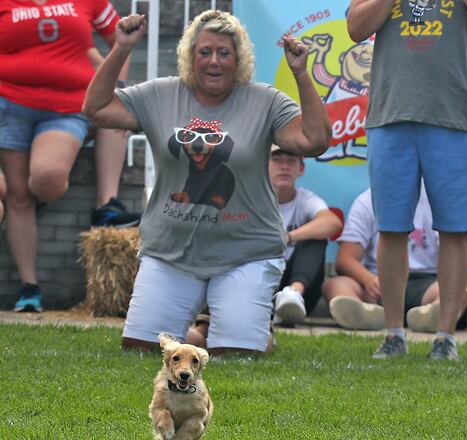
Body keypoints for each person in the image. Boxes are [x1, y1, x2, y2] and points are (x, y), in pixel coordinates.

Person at [82, 11, 331, 354]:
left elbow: (315, 141)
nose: (214, 61)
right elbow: (95, 109)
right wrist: (122, 48)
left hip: (245, 253)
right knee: (143, 349)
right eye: (205, 52)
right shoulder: (160, 95)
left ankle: (250, 331)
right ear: (190, 56)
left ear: (238, 59)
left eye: (224, 53)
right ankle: (205, 329)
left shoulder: (265, 101)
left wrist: (301, 73)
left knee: (235, 353)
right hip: (171, 251)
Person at [347, 0, 467, 361]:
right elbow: (355, 27)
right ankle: (393, 334)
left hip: (454, 118)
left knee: (456, 227)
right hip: (390, 115)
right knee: (392, 227)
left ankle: (445, 337)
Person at [0, 0, 123, 313]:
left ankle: (37, 204)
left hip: (68, 107)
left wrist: (114, 83)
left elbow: (120, 37)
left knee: (48, 179)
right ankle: (30, 288)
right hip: (9, 103)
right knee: (17, 198)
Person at [322, 187, 467, 332]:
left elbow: (455, 254)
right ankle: (365, 315)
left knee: (463, 286)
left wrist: (457, 284)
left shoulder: (442, 200)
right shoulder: (368, 200)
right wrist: (368, 280)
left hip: (427, 284)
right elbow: (345, 259)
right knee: (334, 285)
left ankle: (433, 315)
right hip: (378, 283)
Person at [269, 144, 343, 325]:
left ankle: (292, 295)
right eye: (277, 160)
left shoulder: (306, 199)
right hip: (261, 282)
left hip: (302, 293)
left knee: (316, 237)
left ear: (301, 169)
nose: (284, 166)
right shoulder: (253, 200)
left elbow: (332, 224)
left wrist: (288, 237)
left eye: (291, 161)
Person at [86, 47, 142, 228]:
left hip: (72, 107)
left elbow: (121, 38)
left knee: (114, 112)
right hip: (25, 107)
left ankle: (107, 206)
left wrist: (116, 84)